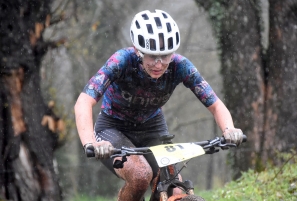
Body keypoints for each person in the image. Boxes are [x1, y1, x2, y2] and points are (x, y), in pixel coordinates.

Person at [74, 9, 243, 201]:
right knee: (140, 176)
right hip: (113, 127)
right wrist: (91, 143)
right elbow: (83, 102)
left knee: (175, 188)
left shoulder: (180, 66)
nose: (159, 63)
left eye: (165, 55)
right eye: (152, 56)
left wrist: (229, 129)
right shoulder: (121, 61)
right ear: (138, 51)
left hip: (152, 126)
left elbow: (215, 105)